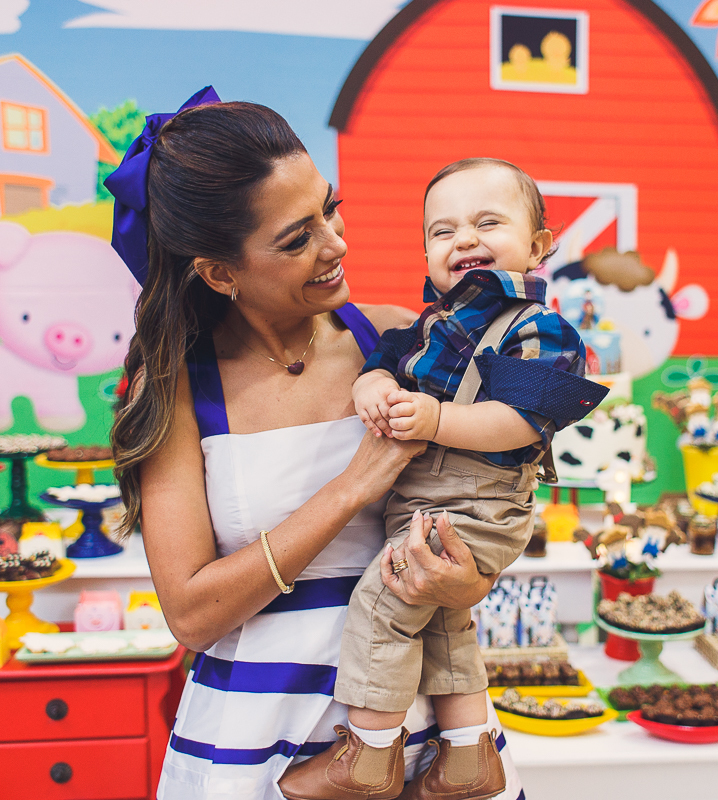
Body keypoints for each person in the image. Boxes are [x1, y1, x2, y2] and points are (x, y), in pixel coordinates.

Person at [106, 89, 524, 800]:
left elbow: (476, 508)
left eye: (330, 207)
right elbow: (191, 615)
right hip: (253, 747)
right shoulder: (177, 384)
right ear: (219, 272)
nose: (336, 244)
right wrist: (354, 485)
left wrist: (467, 581)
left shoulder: (407, 341)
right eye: (297, 238)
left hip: (425, 742)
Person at [280, 159, 606, 800]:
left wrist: (433, 417)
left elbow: (522, 421)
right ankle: (468, 757)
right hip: (432, 501)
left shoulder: (539, 329)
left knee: (385, 602)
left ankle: (367, 755)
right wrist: (374, 383)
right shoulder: (428, 327)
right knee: (442, 623)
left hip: (477, 500)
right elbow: (382, 362)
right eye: (442, 231)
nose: (464, 240)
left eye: (488, 222)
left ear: (539, 246)